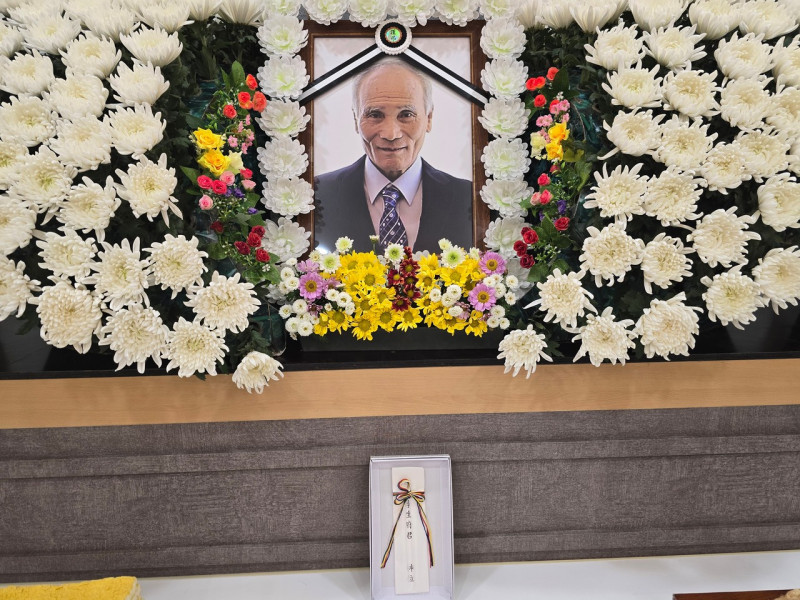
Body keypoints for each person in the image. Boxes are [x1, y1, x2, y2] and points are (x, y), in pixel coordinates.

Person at [313, 58, 473, 253]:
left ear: (429, 118)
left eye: (406, 114)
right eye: (375, 115)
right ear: (356, 119)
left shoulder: (471, 200)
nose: (391, 134)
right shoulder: (314, 197)